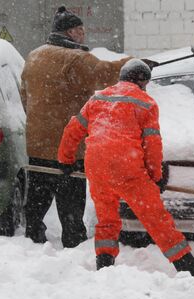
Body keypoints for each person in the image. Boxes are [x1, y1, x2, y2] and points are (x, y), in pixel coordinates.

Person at [58, 59, 194, 277]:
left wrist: (65, 160)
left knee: (106, 219)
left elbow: (73, 129)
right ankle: (189, 268)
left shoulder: (97, 98)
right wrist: (156, 176)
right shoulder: (146, 103)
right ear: (143, 81)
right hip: (127, 167)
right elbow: (152, 144)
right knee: (157, 220)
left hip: (97, 166)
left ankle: (105, 265)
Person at [20, 6, 133, 247]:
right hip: (67, 144)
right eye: (79, 30)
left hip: (38, 142)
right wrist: (132, 64)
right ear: (69, 32)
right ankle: (73, 240)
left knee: (39, 194)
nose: (83, 35)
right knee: (70, 195)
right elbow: (105, 73)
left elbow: (24, 96)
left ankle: (32, 237)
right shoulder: (75, 58)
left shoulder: (35, 55)